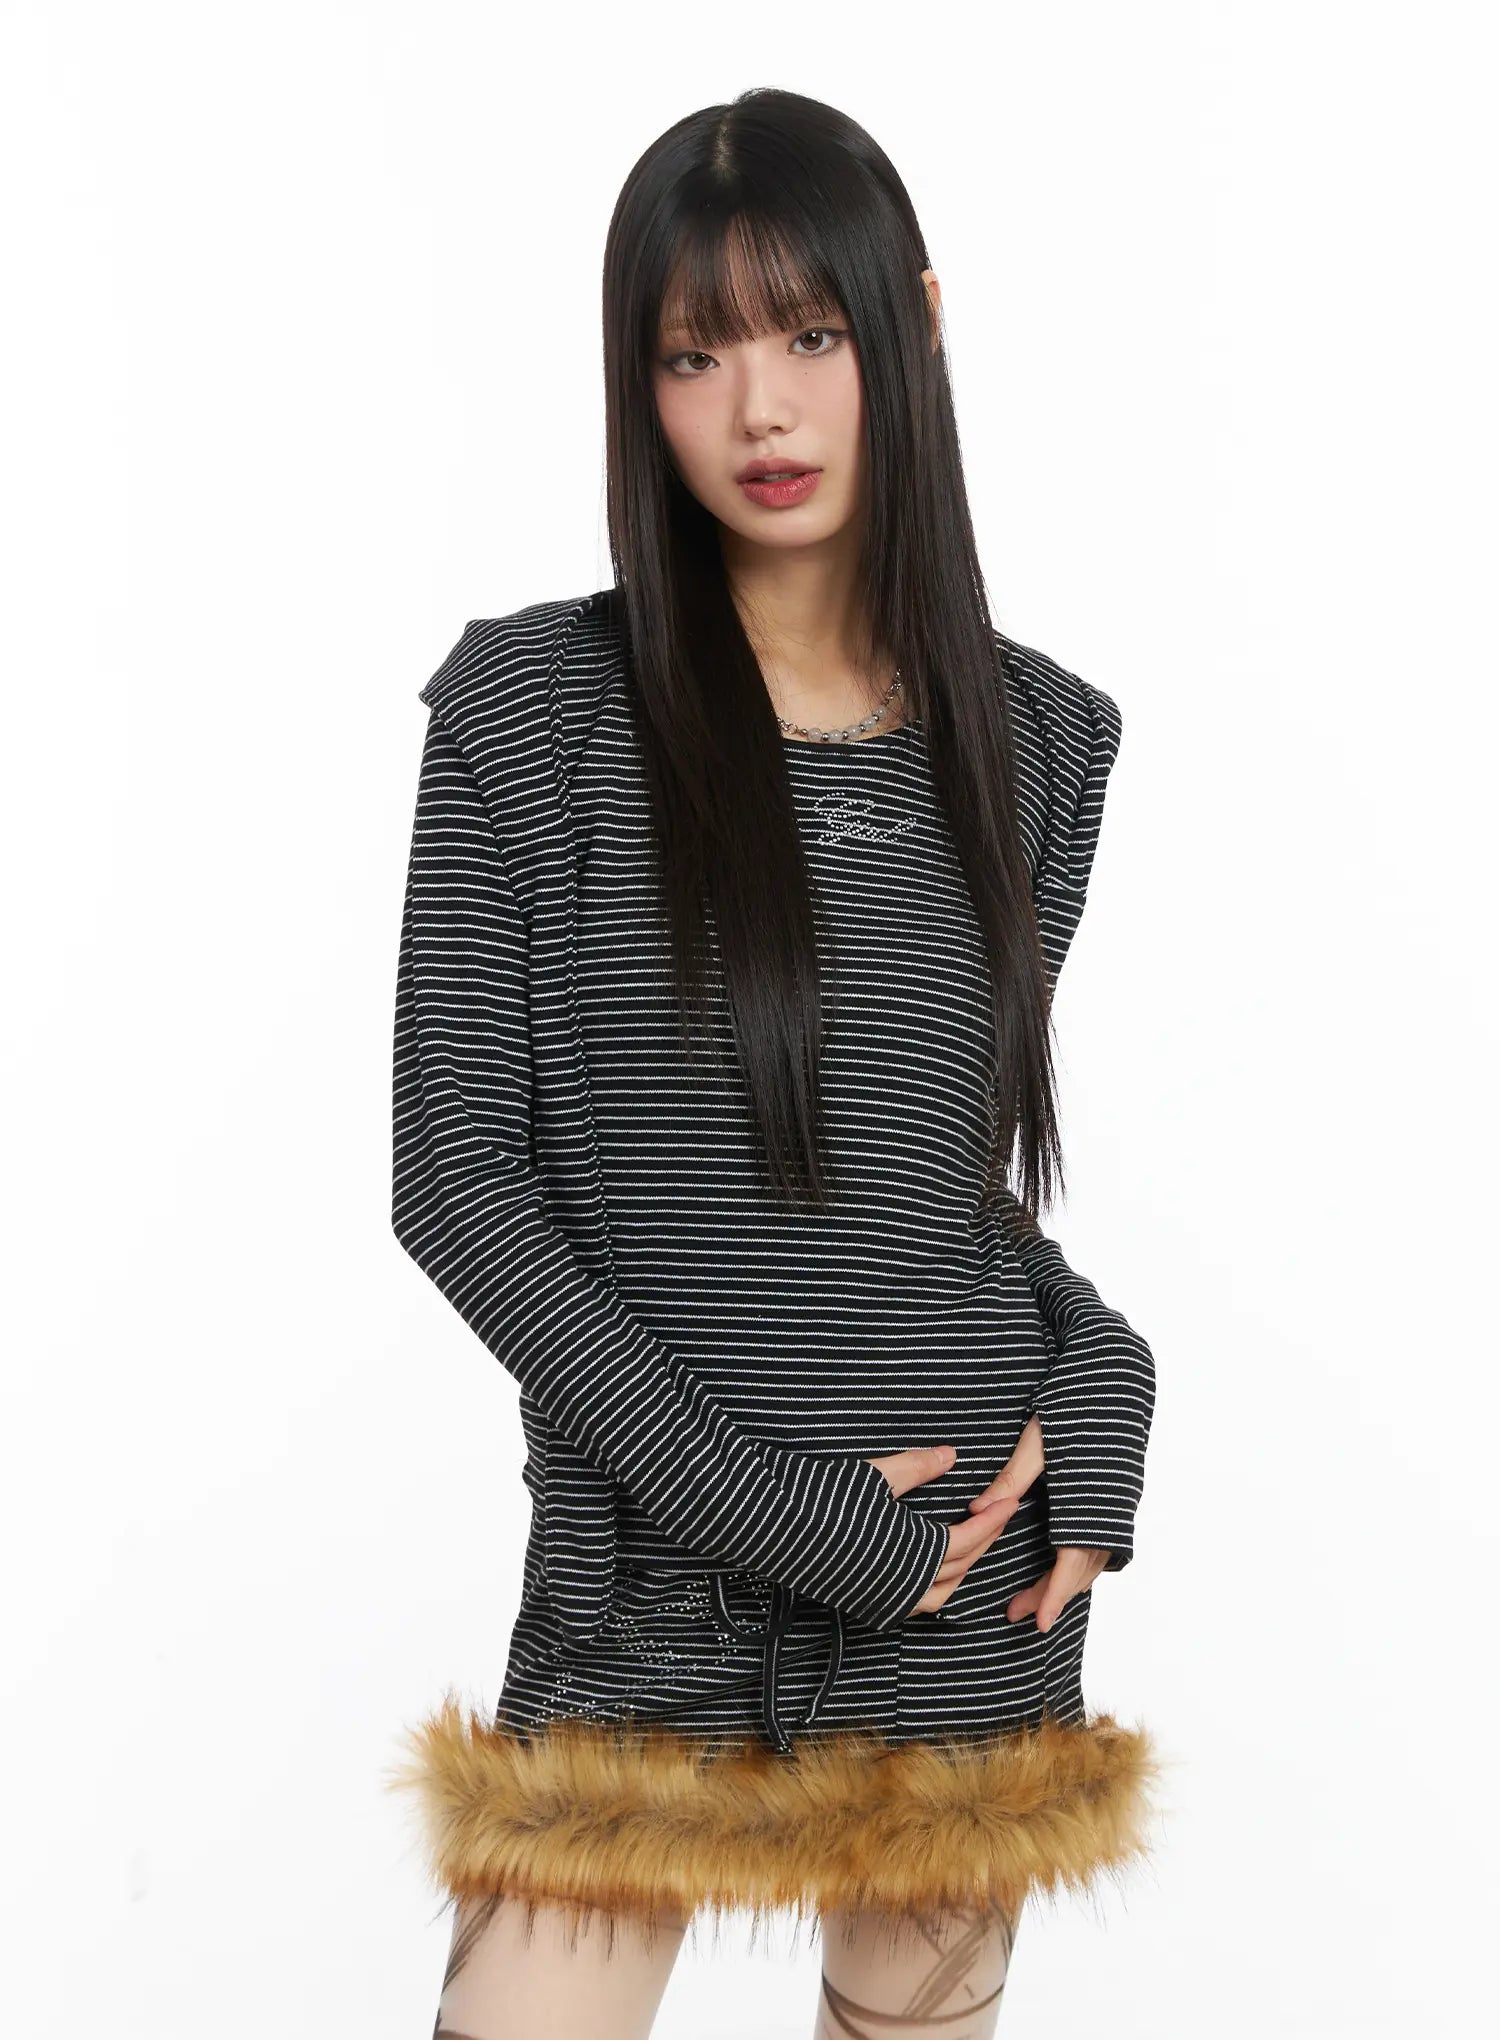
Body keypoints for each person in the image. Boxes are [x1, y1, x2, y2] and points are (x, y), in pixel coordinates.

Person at [388, 85, 1160, 2040]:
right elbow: (459, 1188)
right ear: (635, 384)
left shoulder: (1041, 743)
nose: (762, 409)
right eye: (694, 353)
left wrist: (1106, 1368)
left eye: (812, 334)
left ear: (915, 322)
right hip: (659, 1581)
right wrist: (783, 1517)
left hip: (963, 1586)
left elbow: (938, 1184)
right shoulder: (533, 711)